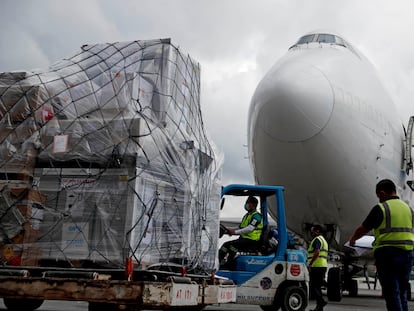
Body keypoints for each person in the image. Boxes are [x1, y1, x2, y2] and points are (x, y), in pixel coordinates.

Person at [349, 179, 414, 311]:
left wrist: (353, 239)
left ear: (383, 193)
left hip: (388, 255)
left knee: (391, 293)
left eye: (379, 196)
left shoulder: (382, 208)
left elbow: (364, 228)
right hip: (407, 255)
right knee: (402, 293)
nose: (379, 199)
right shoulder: (409, 209)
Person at [219, 196, 263, 268]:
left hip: (252, 241)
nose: (246, 204)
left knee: (232, 246)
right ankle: (220, 262)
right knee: (225, 245)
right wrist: (228, 230)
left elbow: (250, 228)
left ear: (253, 205)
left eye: (248, 202)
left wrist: (235, 232)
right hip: (244, 239)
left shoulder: (257, 216)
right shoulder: (247, 215)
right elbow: (240, 227)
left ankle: (229, 265)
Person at [307, 224, 328, 311]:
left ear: (317, 231)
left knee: (314, 286)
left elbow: (317, 252)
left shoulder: (317, 240)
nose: (312, 233)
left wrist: (310, 264)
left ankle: (321, 301)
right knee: (318, 286)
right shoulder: (324, 241)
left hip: (316, 266)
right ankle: (319, 308)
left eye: (313, 231)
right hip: (323, 265)